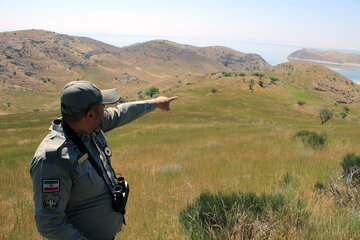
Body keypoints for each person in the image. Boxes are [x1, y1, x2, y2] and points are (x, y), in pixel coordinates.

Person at [30, 81, 177, 240]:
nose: (106, 109)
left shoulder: (88, 126)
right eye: (102, 106)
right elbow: (49, 223)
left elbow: (122, 113)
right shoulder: (53, 159)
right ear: (90, 115)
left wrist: (155, 103)